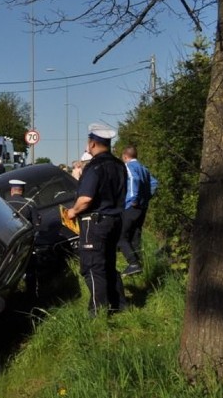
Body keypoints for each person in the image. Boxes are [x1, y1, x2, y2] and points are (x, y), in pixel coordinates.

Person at [65, 123, 127, 317]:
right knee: (108, 263)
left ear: (92, 143)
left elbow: (86, 199)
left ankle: (97, 312)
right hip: (115, 220)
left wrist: (72, 212)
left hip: (95, 221)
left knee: (92, 266)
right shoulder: (119, 165)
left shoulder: (95, 166)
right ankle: (119, 305)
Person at [118, 145, 159, 276]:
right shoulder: (143, 168)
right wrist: (146, 198)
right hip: (142, 207)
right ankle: (138, 265)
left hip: (132, 206)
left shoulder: (129, 166)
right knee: (135, 235)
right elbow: (154, 183)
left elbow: (134, 179)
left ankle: (133, 263)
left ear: (125, 156)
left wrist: (134, 198)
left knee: (121, 237)